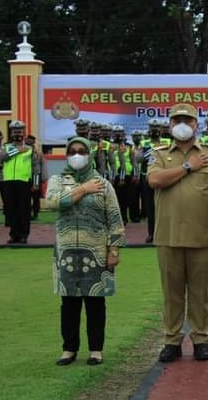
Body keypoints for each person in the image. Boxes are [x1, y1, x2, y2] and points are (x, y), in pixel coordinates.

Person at [148, 103, 208, 363]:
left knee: (199, 293)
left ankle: (200, 339)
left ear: (197, 124)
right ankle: (172, 340)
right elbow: (155, 181)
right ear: (170, 125)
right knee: (172, 294)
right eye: (177, 120)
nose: (182, 124)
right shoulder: (159, 154)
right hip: (168, 236)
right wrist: (188, 166)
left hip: (201, 236)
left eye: (188, 120)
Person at [45, 136, 125, 366]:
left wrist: (115, 250)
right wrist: (82, 189)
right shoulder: (58, 180)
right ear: (67, 154)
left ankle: (95, 350)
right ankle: (69, 349)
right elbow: (52, 202)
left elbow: (115, 219)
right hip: (67, 252)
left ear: (89, 154)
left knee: (95, 302)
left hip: (96, 251)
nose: (77, 155)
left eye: (82, 150)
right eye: (73, 151)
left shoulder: (103, 184)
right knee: (69, 303)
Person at [0, 120, 40, 244]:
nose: (17, 134)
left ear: (24, 132)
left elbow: (36, 168)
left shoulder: (30, 149)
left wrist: (36, 183)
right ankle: (13, 234)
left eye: (20, 131)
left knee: (24, 210)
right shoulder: (6, 147)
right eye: (15, 131)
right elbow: (1, 158)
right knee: (11, 210)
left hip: (24, 182)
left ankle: (23, 235)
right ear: (11, 133)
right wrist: (17, 150)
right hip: (8, 182)